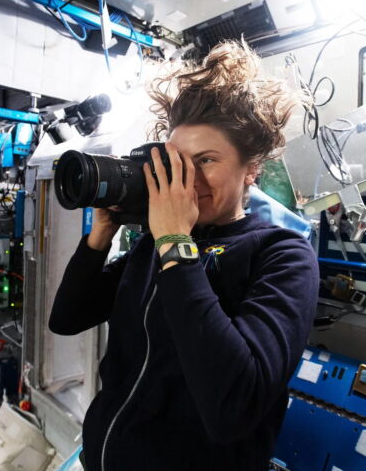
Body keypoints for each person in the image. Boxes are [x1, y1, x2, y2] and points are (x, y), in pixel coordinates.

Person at [49, 40, 320, 471]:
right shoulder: (153, 247)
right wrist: (101, 233)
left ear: (251, 169)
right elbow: (66, 318)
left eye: (207, 160)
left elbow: (235, 404)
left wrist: (175, 240)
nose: (188, 179)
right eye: (179, 162)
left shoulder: (282, 256)